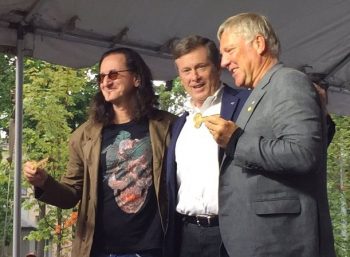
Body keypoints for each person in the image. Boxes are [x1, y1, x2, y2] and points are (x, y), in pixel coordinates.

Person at [203, 12, 336, 257]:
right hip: (262, 240)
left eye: (230, 50)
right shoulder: (262, 90)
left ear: (259, 44)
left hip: (281, 243)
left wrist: (235, 140)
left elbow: (303, 154)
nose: (223, 62)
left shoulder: (288, 82)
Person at [23, 47, 177, 257]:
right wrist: (44, 182)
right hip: (100, 249)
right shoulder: (85, 136)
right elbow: (70, 195)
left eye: (113, 74)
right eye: (101, 77)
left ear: (137, 79)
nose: (106, 82)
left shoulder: (167, 126)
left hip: (153, 248)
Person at [164, 35, 249, 257]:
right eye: (186, 70)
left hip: (234, 233)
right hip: (186, 234)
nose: (194, 77)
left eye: (201, 67)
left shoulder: (246, 103)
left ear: (217, 67)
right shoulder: (180, 122)